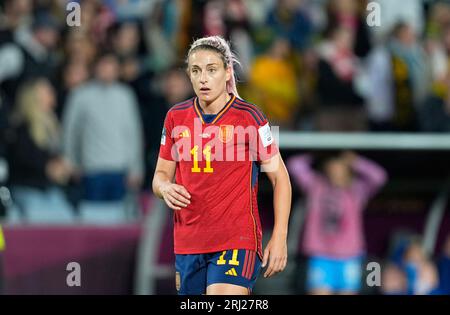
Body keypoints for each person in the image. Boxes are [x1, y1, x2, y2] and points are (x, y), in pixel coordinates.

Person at [152, 36, 292, 295]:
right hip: (189, 241)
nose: (203, 78)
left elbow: (280, 178)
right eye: (196, 71)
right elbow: (160, 175)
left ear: (228, 72)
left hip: (237, 238)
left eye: (211, 70)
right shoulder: (175, 117)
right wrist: (164, 187)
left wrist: (280, 236)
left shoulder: (250, 117)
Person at [287, 151, 387, 294]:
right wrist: (319, 153)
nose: (335, 172)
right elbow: (295, 165)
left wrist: (355, 161)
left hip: (349, 255)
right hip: (320, 255)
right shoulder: (316, 186)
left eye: (339, 167)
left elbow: (379, 177)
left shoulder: (356, 190)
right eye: (332, 167)